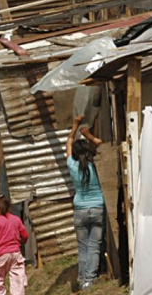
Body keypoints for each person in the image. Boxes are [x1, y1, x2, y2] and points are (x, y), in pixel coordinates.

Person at [66, 114, 105, 290]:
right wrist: (88, 135)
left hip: (80, 211)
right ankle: (89, 280)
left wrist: (75, 126)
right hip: (97, 209)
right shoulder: (96, 164)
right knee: (94, 247)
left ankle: (82, 281)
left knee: (83, 248)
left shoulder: (72, 166)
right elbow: (100, 144)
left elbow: (68, 142)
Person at [0, 195, 28, 295]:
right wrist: (22, 241)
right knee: (17, 278)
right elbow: (25, 234)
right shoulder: (16, 219)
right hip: (16, 254)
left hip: (3, 255)